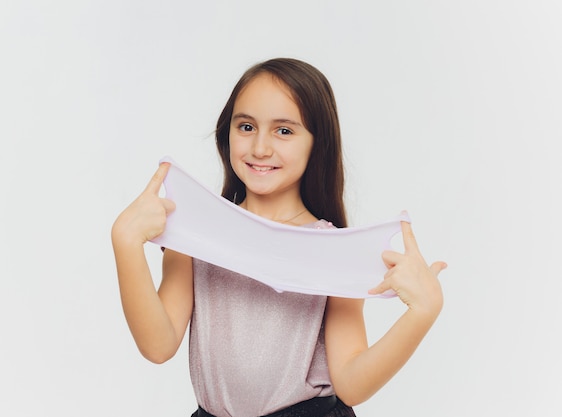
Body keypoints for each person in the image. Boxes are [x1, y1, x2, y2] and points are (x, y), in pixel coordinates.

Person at [111, 58, 447, 417]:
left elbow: (351, 382)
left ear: (317, 144)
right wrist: (125, 242)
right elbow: (158, 345)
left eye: (284, 131)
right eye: (246, 126)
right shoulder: (197, 232)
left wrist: (422, 313)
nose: (259, 148)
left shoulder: (335, 251)